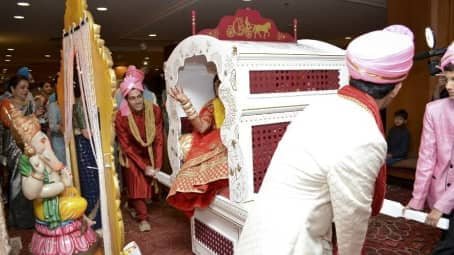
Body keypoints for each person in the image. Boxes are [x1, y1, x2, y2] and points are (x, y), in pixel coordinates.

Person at [235, 25, 414, 255]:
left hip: (263, 231)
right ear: (397, 88)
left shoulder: (320, 106)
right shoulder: (366, 136)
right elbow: (351, 219)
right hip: (295, 243)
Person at [407, 42, 454, 255]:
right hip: (441, 188)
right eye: (447, 79)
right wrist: (417, 200)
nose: (449, 86)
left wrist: (442, 205)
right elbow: (426, 158)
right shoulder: (433, 110)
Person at [166, 74, 229, 217]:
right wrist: (185, 103)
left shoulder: (239, 103)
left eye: (222, 83)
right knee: (190, 176)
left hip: (235, 142)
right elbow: (201, 127)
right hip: (214, 143)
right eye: (217, 84)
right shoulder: (212, 105)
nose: (220, 87)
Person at [115, 65, 163, 232]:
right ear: (126, 100)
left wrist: (156, 164)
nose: (137, 101)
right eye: (132, 98)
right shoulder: (121, 117)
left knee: (149, 182)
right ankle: (143, 218)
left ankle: (134, 204)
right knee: (136, 182)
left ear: (143, 95)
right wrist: (144, 166)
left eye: (139, 96)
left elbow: (158, 139)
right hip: (131, 154)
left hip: (149, 149)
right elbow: (126, 146)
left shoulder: (154, 110)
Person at [0, 75, 37, 228]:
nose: (25, 91)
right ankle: (18, 219)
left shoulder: (29, 104)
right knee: (18, 179)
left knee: (31, 178)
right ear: (12, 89)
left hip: (29, 145)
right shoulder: (5, 104)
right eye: (21, 87)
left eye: (27, 88)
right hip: (14, 146)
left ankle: (30, 216)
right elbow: (12, 125)